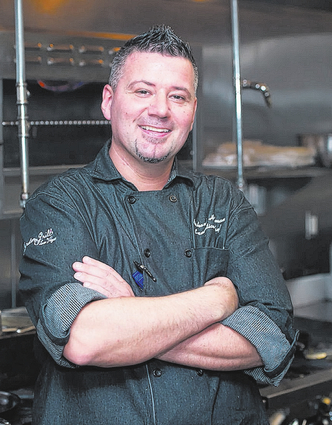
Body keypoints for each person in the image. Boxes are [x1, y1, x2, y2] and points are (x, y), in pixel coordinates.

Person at [19, 24, 298, 425]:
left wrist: (129, 313)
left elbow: (271, 337)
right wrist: (216, 300)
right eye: (143, 91)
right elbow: (84, 338)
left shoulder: (223, 202)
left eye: (177, 96)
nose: (161, 110)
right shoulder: (61, 203)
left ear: (193, 111)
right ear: (109, 101)